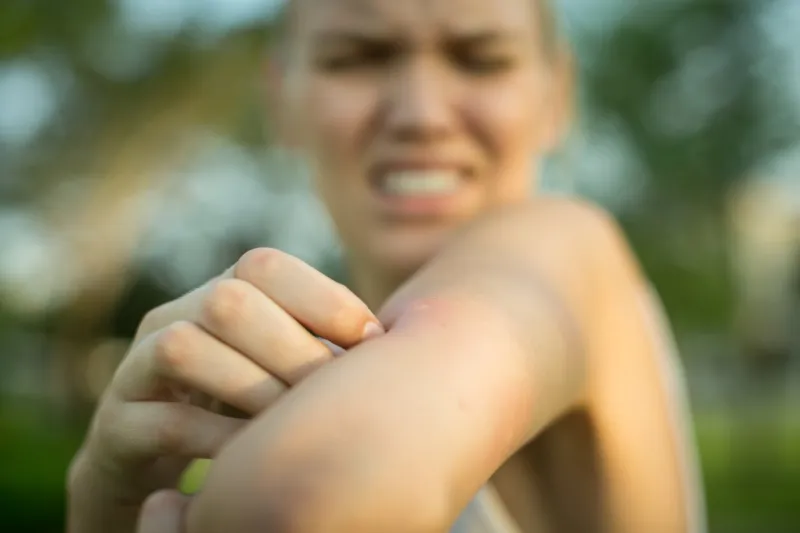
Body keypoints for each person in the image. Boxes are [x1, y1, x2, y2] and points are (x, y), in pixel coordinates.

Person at [67, 0, 707, 531]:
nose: (421, 114)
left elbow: (306, 497)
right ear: (282, 100)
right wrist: (107, 504)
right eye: (358, 58)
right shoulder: (267, 368)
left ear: (556, 97)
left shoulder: (570, 252)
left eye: (481, 58)